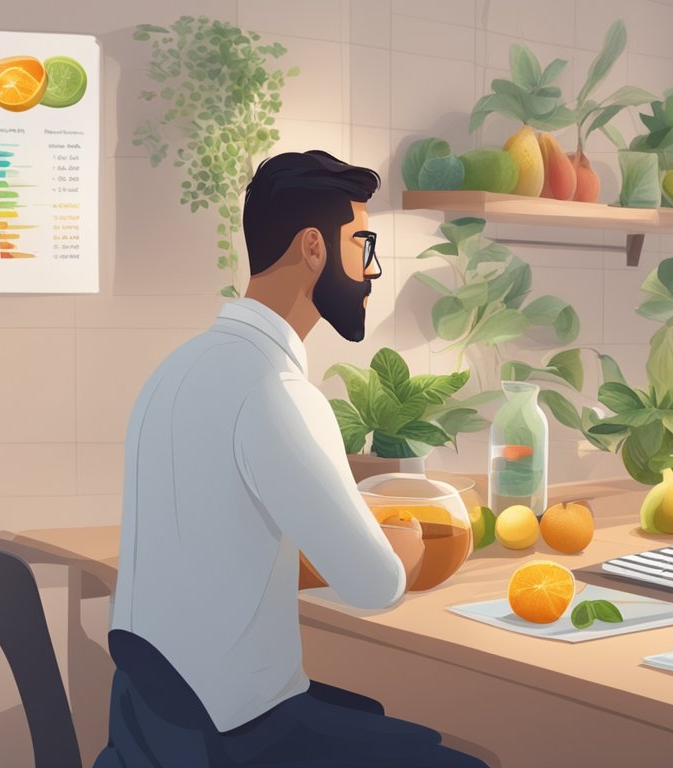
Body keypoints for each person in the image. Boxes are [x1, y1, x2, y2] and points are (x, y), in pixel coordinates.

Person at [94, 151, 486, 767]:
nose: (373, 270)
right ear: (313, 248)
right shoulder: (276, 390)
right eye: (363, 245)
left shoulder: (177, 368)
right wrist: (402, 549)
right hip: (233, 732)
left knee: (370, 716)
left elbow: (218, 533)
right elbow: (375, 585)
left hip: (151, 717)